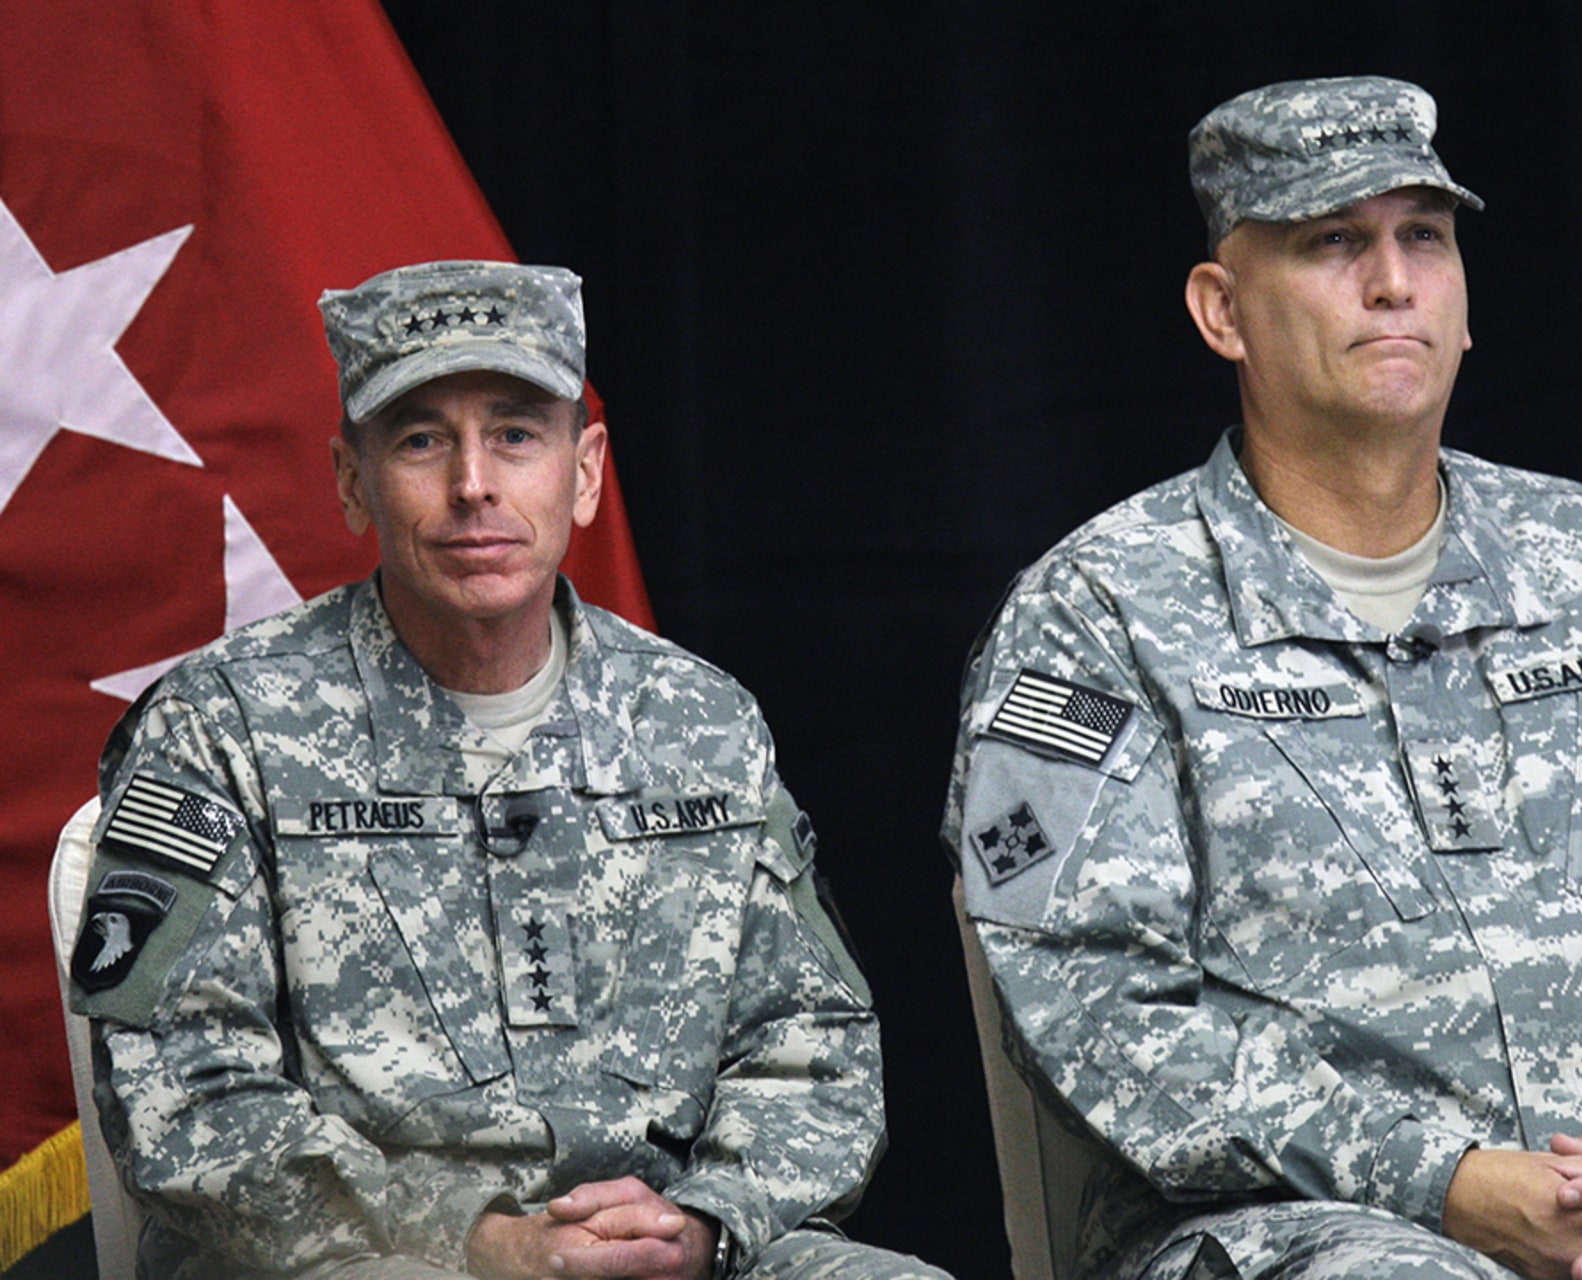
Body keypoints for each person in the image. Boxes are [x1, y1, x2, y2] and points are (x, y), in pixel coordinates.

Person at [941, 76, 1582, 1280]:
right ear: (1222, 310)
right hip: (1309, 1230)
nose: (1393, 280)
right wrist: (1447, 1184)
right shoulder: (1098, 612)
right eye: (1333, 242)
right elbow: (1097, 1002)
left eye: (1425, 238)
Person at [69, 260, 952, 1280]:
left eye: (516, 434)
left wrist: (705, 1221)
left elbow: (816, 1045)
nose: (474, 482)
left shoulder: (700, 717)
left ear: (583, 472)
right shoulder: (223, 724)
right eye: (421, 439)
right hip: (362, 1254)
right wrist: (479, 1240)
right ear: (352, 480)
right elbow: (184, 1091)